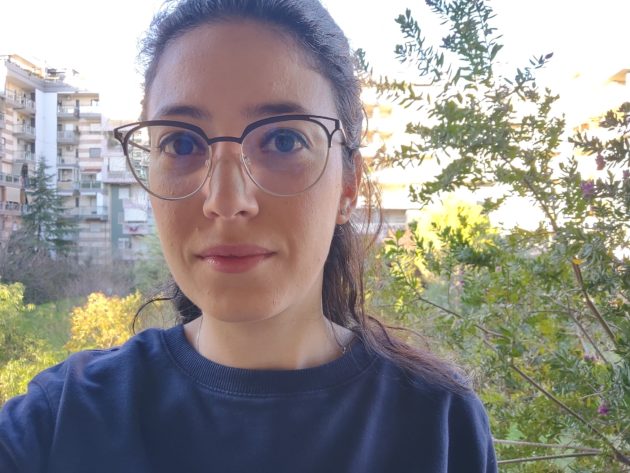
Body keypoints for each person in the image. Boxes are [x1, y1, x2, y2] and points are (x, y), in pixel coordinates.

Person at [0, 0, 498, 471]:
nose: (225, 199)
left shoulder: (435, 424)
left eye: (283, 140)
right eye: (181, 144)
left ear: (348, 186)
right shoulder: (59, 421)